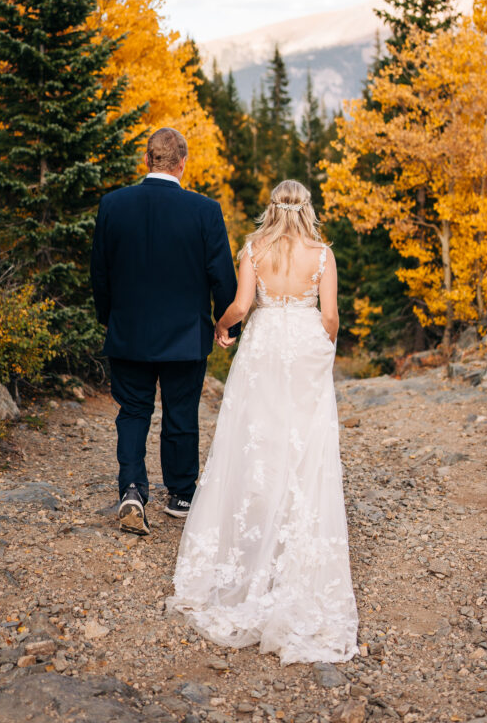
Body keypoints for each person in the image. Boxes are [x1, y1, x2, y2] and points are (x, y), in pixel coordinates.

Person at [167, 179, 359, 664]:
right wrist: (323, 348)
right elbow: (331, 315)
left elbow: (241, 304)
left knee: (257, 442)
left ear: (270, 208)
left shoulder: (253, 247)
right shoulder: (323, 254)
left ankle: (249, 548)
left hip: (265, 346)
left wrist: (222, 326)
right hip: (304, 348)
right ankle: (291, 550)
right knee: (305, 447)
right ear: (308, 208)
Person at [90, 127, 239, 536]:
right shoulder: (204, 210)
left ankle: (133, 490)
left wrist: (110, 317)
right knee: (181, 411)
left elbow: (99, 274)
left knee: (133, 410)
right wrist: (230, 324)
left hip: (129, 331)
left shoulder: (112, 205)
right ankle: (181, 494)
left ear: (147, 161)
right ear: (182, 163)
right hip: (185, 335)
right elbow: (221, 274)